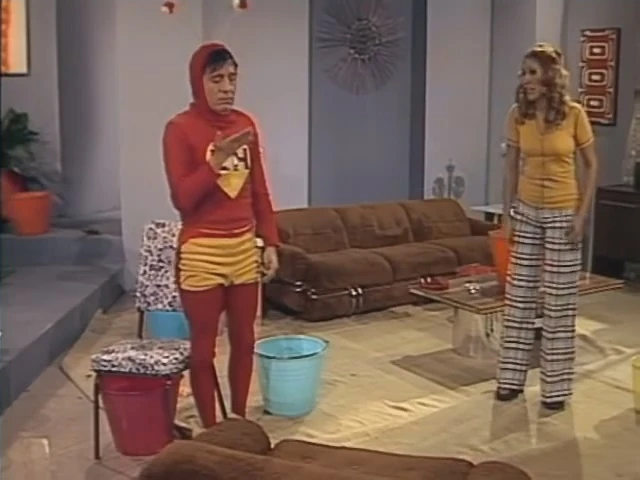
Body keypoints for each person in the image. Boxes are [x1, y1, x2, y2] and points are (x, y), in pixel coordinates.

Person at [162, 42, 279, 427]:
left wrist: (270, 241)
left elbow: (259, 190)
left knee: (245, 340)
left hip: (243, 248)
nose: (227, 87)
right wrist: (215, 162)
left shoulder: (245, 124)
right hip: (201, 251)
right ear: (199, 82)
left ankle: (239, 421)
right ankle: (212, 428)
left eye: (232, 78)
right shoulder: (179, 129)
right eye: (217, 79)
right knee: (203, 349)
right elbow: (183, 200)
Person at [496, 43, 599, 411]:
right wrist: (507, 214)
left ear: (551, 77)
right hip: (527, 210)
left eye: (532, 73)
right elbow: (511, 167)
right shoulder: (517, 115)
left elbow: (592, 165)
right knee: (519, 298)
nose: (525, 80)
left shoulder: (574, 114)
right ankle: (510, 380)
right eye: (523, 72)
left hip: (562, 213)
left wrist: (581, 215)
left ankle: (555, 390)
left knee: (558, 305)